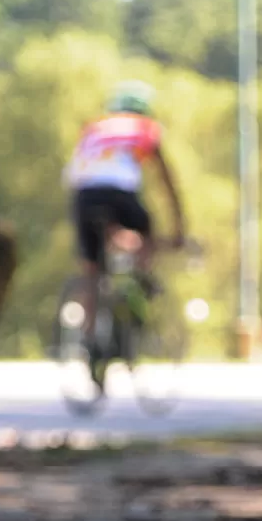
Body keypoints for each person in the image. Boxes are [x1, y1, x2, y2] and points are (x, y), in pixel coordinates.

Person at [63, 80, 185, 346]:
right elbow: (167, 182)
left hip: (83, 194)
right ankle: (140, 284)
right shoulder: (144, 128)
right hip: (120, 192)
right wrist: (178, 228)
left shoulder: (94, 127)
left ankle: (88, 333)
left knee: (92, 268)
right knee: (145, 236)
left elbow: (76, 170)